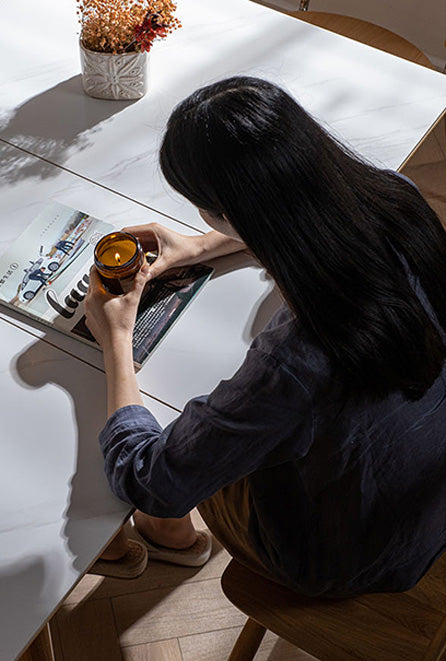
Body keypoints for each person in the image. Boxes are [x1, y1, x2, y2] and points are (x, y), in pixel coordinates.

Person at [84, 76, 446, 596]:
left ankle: (150, 536)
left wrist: (115, 340)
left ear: (228, 213)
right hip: (427, 484)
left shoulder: (295, 365)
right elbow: (308, 216)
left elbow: (151, 480)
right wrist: (195, 249)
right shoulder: (397, 198)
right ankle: (166, 537)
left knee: (200, 456)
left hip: (358, 556)